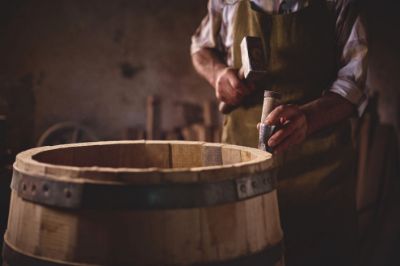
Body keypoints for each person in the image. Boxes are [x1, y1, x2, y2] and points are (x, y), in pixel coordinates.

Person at [191, 0, 368, 265]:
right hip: (244, 166)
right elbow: (200, 48)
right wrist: (217, 74)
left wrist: (308, 117)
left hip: (320, 169)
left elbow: (352, 83)